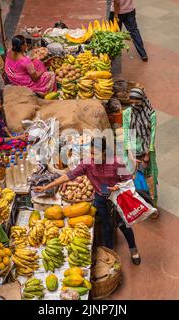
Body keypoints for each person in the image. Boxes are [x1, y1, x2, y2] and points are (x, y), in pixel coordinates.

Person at [34, 138, 142, 265]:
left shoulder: (116, 162)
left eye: (94, 154)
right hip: (100, 198)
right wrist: (47, 186)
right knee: (106, 226)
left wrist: (118, 187)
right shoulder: (87, 163)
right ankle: (110, 254)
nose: (92, 157)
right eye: (90, 153)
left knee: (123, 224)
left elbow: (128, 180)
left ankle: (133, 249)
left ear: (104, 153)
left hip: (117, 197)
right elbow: (68, 176)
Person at [122, 87, 158, 216]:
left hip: (147, 151)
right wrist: (131, 155)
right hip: (132, 151)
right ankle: (140, 205)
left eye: (137, 102)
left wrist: (147, 154)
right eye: (132, 102)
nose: (134, 105)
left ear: (142, 100)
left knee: (149, 179)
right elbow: (127, 134)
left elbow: (152, 135)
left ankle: (152, 206)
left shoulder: (151, 114)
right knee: (134, 179)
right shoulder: (127, 113)